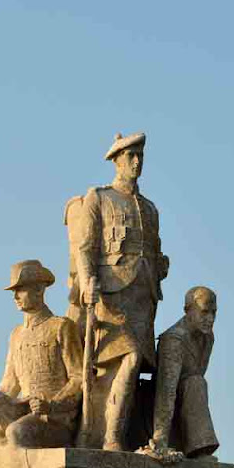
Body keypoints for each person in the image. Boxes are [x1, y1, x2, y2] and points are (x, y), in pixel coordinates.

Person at [76, 132, 169, 451]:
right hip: (110, 293)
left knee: (137, 364)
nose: (137, 162)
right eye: (130, 156)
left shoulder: (150, 208)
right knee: (126, 358)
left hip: (144, 296)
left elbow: (153, 250)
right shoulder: (99, 198)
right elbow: (85, 247)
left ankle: (120, 433)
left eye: (140, 156)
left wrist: (160, 266)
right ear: (116, 160)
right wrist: (87, 280)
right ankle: (109, 436)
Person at [0, 260, 83, 448]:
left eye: (20, 289)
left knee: (16, 431)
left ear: (39, 289)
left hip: (53, 419)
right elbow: (9, 386)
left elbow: (78, 378)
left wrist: (51, 405)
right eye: (14, 291)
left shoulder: (61, 326)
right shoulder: (16, 335)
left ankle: (6, 444)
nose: (15, 296)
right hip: (22, 410)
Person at [150, 286, 219, 459]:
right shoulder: (174, 340)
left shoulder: (208, 337)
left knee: (196, 382)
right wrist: (160, 440)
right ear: (188, 310)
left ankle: (198, 446)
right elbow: (165, 392)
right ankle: (198, 447)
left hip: (186, 402)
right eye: (204, 312)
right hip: (155, 409)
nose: (210, 319)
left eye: (213, 313)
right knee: (195, 383)